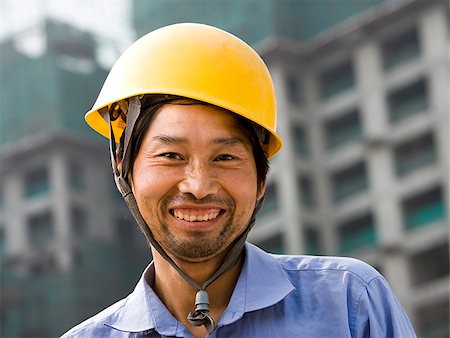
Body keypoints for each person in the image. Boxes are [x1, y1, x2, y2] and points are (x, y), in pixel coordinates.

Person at [62, 23, 416, 338]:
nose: (198, 186)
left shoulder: (350, 304)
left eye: (225, 158)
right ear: (124, 168)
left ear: (261, 179)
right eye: (171, 156)